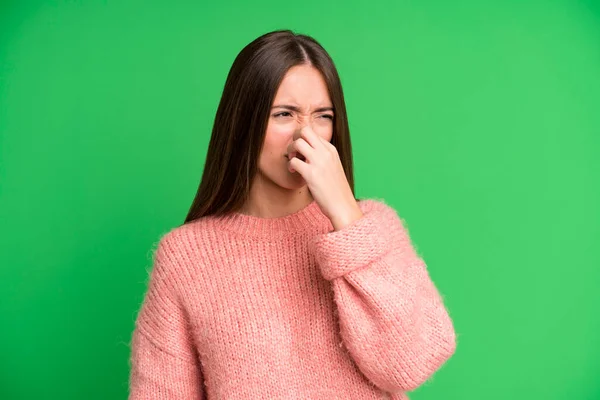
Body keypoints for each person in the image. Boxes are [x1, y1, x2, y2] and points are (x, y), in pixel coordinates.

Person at [128, 29, 457, 399]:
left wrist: (346, 218)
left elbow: (410, 363)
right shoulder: (185, 258)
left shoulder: (374, 227)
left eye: (323, 116)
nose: (306, 137)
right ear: (243, 121)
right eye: (284, 114)